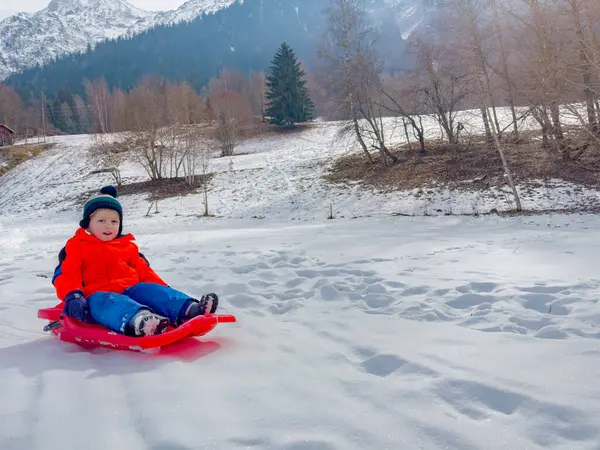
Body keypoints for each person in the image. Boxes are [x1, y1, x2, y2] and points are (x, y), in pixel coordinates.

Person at [51, 185, 219, 337]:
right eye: (101, 221)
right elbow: (67, 273)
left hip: (131, 289)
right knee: (108, 301)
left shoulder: (127, 247)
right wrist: (73, 295)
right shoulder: (77, 246)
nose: (108, 226)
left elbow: (144, 272)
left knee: (150, 290)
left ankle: (189, 309)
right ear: (88, 225)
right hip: (96, 295)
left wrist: (163, 289)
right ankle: (140, 320)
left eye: (114, 221)